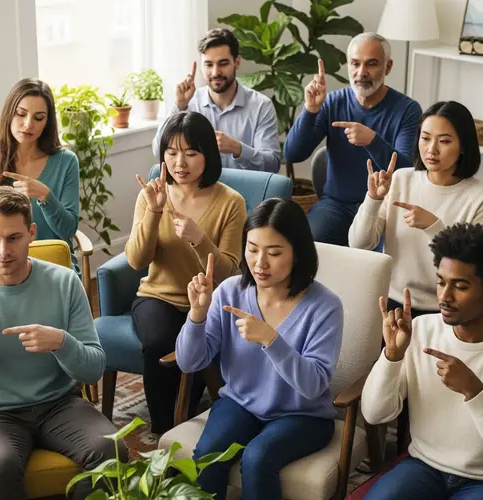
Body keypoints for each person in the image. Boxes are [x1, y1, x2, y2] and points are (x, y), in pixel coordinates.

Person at [176, 198, 343, 500]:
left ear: (298, 253)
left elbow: (314, 385)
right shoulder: (229, 292)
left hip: (304, 415)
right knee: (208, 453)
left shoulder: (325, 306)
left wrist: (271, 340)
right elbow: (189, 362)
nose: (259, 263)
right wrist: (196, 317)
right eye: (252, 250)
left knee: (257, 458)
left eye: (274, 253)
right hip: (240, 403)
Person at [0, 186, 127, 500]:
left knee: (112, 449)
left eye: (14, 238)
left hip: (59, 404)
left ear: (31, 233)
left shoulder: (64, 281)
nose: (3, 251)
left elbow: (93, 370)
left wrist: (62, 342)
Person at [127, 111, 247, 435]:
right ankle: (163, 428)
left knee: (202, 340)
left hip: (210, 302)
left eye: (191, 153)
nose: (180, 162)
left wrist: (199, 238)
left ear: (208, 154)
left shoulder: (231, 202)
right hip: (158, 297)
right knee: (159, 339)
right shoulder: (151, 195)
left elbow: (231, 273)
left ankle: (189, 413)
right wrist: (153, 212)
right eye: (172, 153)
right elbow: (136, 260)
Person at [362, 222, 483, 499]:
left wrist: (474, 391)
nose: (444, 296)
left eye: (460, 286)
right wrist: (392, 357)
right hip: (423, 466)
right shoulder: (421, 330)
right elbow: (375, 414)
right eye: (441, 282)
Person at [284, 33, 422, 245]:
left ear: (388, 67)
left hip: (383, 207)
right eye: (355, 63)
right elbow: (292, 153)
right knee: (305, 245)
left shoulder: (408, 110)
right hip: (336, 205)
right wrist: (310, 110)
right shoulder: (332, 102)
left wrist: (372, 141)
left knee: (385, 260)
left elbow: (406, 172)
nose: (361, 72)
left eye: (371, 64)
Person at [349, 101, 483, 317]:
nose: (432, 150)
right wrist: (373, 199)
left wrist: (434, 226)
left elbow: (471, 266)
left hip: (446, 310)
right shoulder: (402, 179)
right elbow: (359, 243)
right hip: (393, 302)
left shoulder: (478, 197)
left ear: (464, 146)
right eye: (425, 138)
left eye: (445, 141)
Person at [0, 78, 80, 272]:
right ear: (10, 113)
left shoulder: (66, 161)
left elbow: (68, 230)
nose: (28, 124)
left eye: (39, 117)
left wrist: (46, 196)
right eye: (21, 114)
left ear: (47, 122)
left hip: (52, 266)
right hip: (2, 267)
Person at [152, 28, 280, 173]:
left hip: (245, 192)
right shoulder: (190, 103)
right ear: (201, 65)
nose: (215, 72)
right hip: (200, 192)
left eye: (223, 63)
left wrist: (237, 148)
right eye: (209, 64)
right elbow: (158, 151)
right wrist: (179, 107)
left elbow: (272, 165)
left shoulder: (261, 106)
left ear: (237, 62)